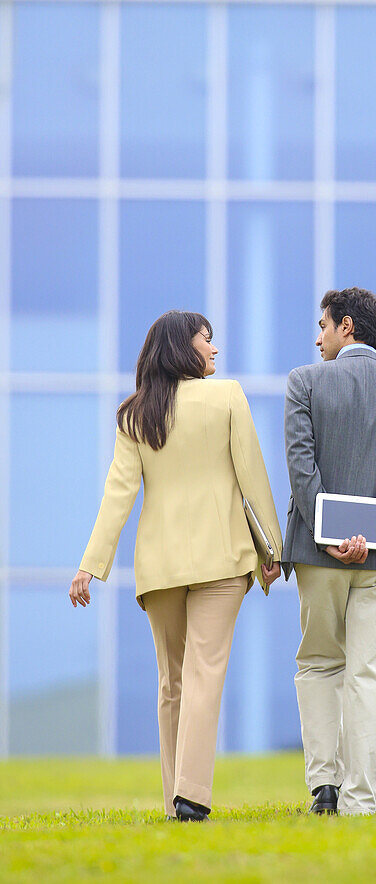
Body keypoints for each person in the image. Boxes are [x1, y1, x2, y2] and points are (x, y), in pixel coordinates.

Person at [69, 310, 282, 822]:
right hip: (222, 560)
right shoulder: (229, 395)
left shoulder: (135, 414)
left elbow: (116, 496)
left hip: (160, 567)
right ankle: (191, 797)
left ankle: (176, 801)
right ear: (184, 346)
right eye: (208, 340)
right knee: (204, 675)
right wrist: (272, 549)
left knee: (173, 684)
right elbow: (252, 475)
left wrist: (90, 565)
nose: (215, 349)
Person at [283, 287, 376, 816]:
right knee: (370, 675)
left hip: (317, 556)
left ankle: (324, 787)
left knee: (321, 664)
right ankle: (360, 802)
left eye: (322, 325)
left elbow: (302, 471)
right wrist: (370, 533)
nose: (316, 336)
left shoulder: (304, 382)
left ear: (346, 326)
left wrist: (331, 535)